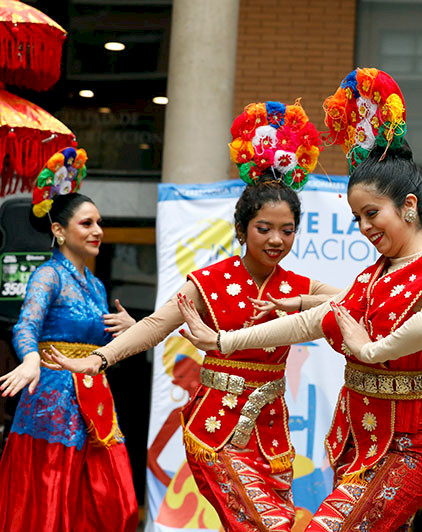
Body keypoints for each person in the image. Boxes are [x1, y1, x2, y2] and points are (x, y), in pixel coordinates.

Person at [176, 68, 422, 532]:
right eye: (358, 217)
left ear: (408, 205)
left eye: (371, 213)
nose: (364, 227)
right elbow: (311, 323)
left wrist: (369, 350)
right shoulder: (374, 275)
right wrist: (223, 341)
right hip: (360, 440)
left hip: (412, 444)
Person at [47, 101, 338, 532]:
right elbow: (153, 326)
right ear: (241, 229)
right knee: (271, 526)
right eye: (264, 228)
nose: (277, 239)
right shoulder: (209, 282)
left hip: (271, 433)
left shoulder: (298, 286)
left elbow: (359, 299)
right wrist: (99, 359)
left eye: (287, 230)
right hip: (216, 430)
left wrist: (298, 304)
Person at [0, 147, 139, 532]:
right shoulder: (49, 276)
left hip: (94, 396)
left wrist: (131, 329)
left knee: (114, 500)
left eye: (99, 223)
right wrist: (29, 358)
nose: (98, 231)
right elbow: (25, 325)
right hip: (54, 396)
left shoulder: (95, 285)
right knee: (51, 495)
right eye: (87, 223)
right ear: (59, 230)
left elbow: (104, 350)